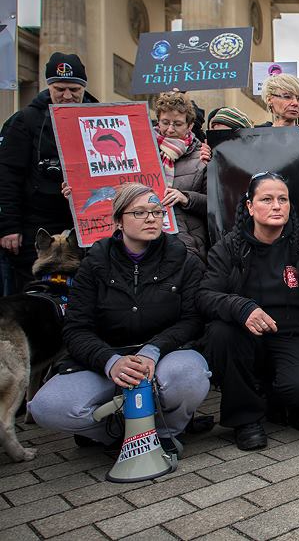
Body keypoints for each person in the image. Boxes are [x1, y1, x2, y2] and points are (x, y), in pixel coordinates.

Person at [28, 184, 209, 454]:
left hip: (166, 354)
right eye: (139, 212)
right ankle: (116, 433)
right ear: (118, 221)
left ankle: (164, 432)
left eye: (157, 212)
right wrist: (110, 361)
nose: (150, 218)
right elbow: (76, 329)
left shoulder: (185, 260)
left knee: (190, 377)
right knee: (47, 407)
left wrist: (153, 350)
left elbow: (192, 320)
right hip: (106, 359)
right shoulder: (94, 263)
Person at [197, 172, 299, 451]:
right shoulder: (229, 247)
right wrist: (242, 307)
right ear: (249, 206)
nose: (276, 206)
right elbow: (204, 296)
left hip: (295, 336)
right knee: (221, 333)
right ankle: (245, 420)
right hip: (245, 336)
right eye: (267, 199)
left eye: (283, 199)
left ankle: (268, 396)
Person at [0, 53, 97, 291]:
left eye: (74, 89)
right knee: (33, 291)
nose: (67, 96)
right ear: (49, 86)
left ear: (83, 87)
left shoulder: (100, 117)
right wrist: (8, 226)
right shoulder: (24, 121)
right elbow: (8, 175)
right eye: (59, 88)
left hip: (85, 220)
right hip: (36, 222)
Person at [151, 91, 209, 262]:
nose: (169, 129)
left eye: (177, 124)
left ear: (189, 126)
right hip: (146, 242)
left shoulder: (202, 158)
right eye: (165, 122)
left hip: (187, 247)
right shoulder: (142, 152)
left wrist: (186, 198)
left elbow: (214, 206)